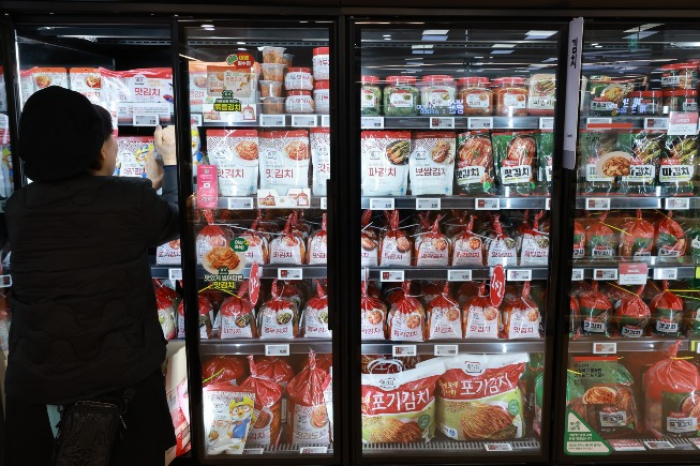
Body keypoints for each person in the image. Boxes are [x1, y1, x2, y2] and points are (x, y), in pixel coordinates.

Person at [2, 86, 179, 465]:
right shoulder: (131, 199)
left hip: (37, 397)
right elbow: (175, 220)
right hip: (123, 392)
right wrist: (173, 163)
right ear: (99, 150)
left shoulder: (19, 207)